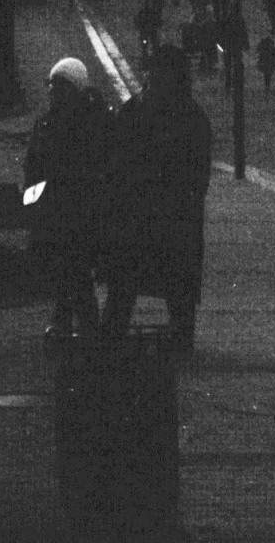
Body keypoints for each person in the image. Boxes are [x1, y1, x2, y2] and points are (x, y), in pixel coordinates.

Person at [99, 53, 215, 346]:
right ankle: (180, 337)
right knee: (177, 286)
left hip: (139, 215)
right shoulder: (192, 115)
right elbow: (199, 175)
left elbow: (114, 163)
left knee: (125, 285)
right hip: (175, 218)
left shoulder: (135, 110)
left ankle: (112, 338)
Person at [25, 58, 116, 339]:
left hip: (79, 210)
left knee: (73, 269)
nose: (53, 92)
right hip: (62, 209)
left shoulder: (79, 123)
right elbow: (33, 168)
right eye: (52, 86)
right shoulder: (51, 122)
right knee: (68, 270)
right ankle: (73, 322)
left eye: (59, 86)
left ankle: (79, 326)